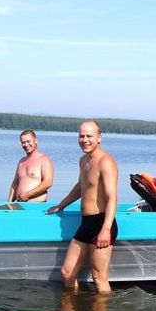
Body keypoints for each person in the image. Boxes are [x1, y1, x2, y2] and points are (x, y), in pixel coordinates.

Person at [46, 120, 118, 293]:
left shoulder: (105, 162)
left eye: (89, 136)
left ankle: (101, 310)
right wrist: (61, 205)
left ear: (99, 138)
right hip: (86, 224)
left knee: (98, 277)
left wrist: (106, 229)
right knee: (67, 273)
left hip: (101, 223)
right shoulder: (83, 160)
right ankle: (75, 308)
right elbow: (81, 186)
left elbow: (112, 198)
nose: (84, 140)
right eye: (81, 136)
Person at [8, 129, 54, 202]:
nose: (26, 145)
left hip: (36, 205)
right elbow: (15, 184)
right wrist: (9, 203)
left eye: (28, 141)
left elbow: (48, 183)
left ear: (35, 141)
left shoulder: (44, 160)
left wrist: (27, 195)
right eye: (23, 142)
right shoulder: (21, 161)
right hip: (20, 204)